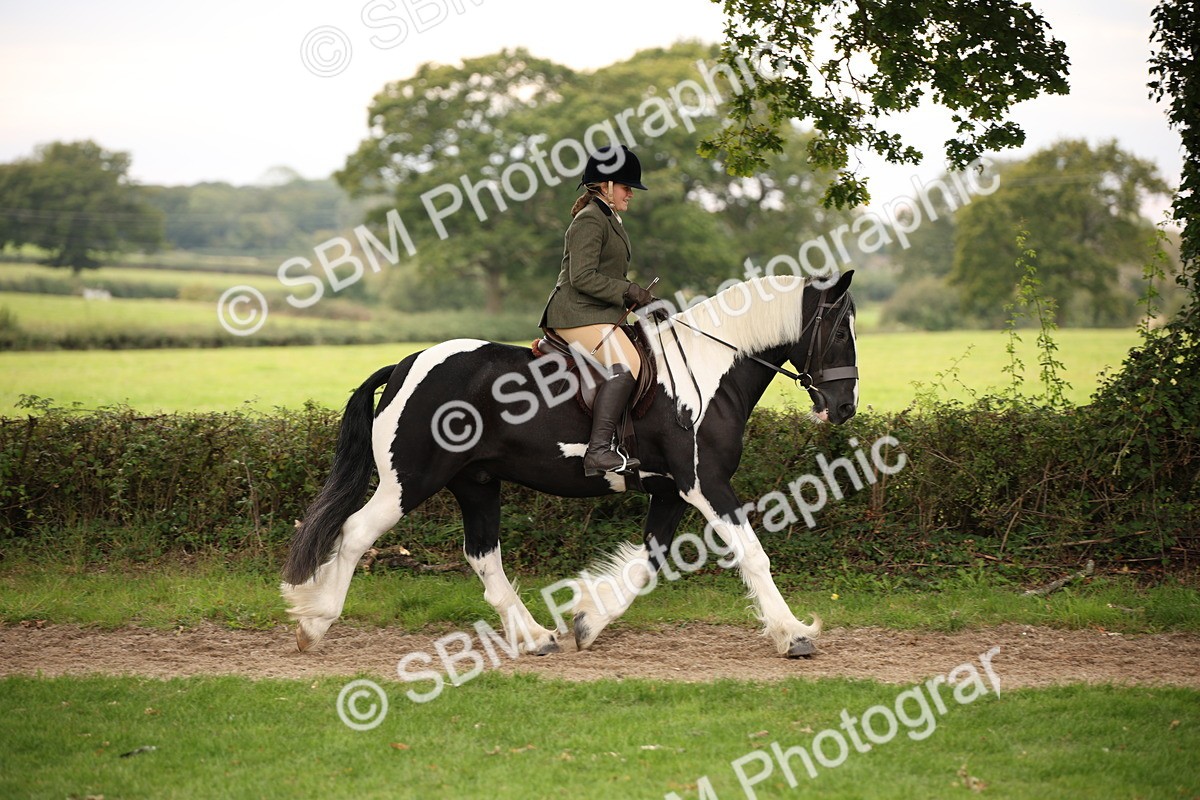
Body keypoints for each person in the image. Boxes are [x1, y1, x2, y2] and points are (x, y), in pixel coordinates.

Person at [539, 144, 660, 477]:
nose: (630, 194)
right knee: (627, 364)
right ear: (606, 185)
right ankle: (597, 452)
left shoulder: (608, 218)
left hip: (597, 311)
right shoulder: (590, 219)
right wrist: (628, 290)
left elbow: (608, 277)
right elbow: (583, 277)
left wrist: (641, 303)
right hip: (575, 311)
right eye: (626, 187)